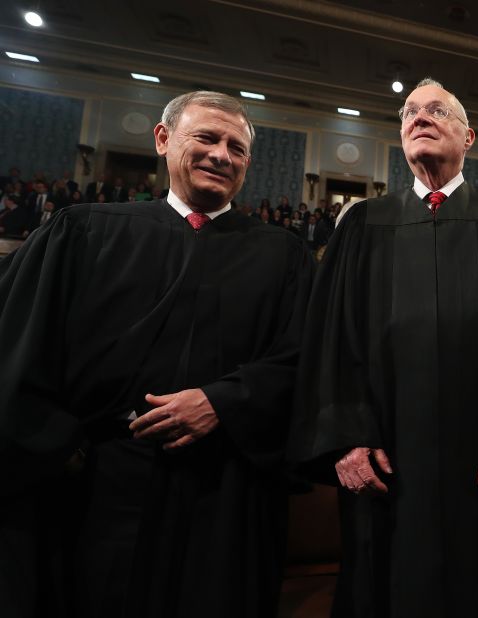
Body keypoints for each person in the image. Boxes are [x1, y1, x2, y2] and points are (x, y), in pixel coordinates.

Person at [0, 91, 315, 617]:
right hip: (101, 485)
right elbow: (21, 345)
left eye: (237, 148)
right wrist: (66, 444)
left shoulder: (284, 256)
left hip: (227, 488)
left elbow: (304, 357)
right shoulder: (84, 231)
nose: (222, 155)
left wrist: (224, 402)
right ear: (164, 140)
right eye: (207, 138)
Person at [289, 78, 478, 618]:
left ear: (469, 136)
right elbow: (332, 338)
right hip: (384, 453)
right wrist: (345, 439)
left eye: (436, 110)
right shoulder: (362, 222)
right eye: (409, 111)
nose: (419, 117)